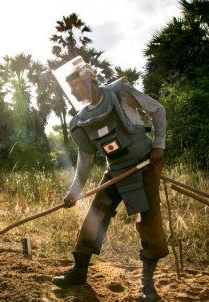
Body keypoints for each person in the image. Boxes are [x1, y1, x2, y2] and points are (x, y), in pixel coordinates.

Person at [51, 57, 168, 302]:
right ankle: (79, 271)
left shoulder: (120, 93)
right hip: (115, 170)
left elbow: (157, 110)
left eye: (74, 85)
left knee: (150, 221)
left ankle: (147, 284)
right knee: (96, 213)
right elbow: (84, 162)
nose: (71, 91)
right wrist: (74, 191)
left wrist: (158, 146)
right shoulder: (81, 120)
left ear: (86, 80)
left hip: (145, 164)